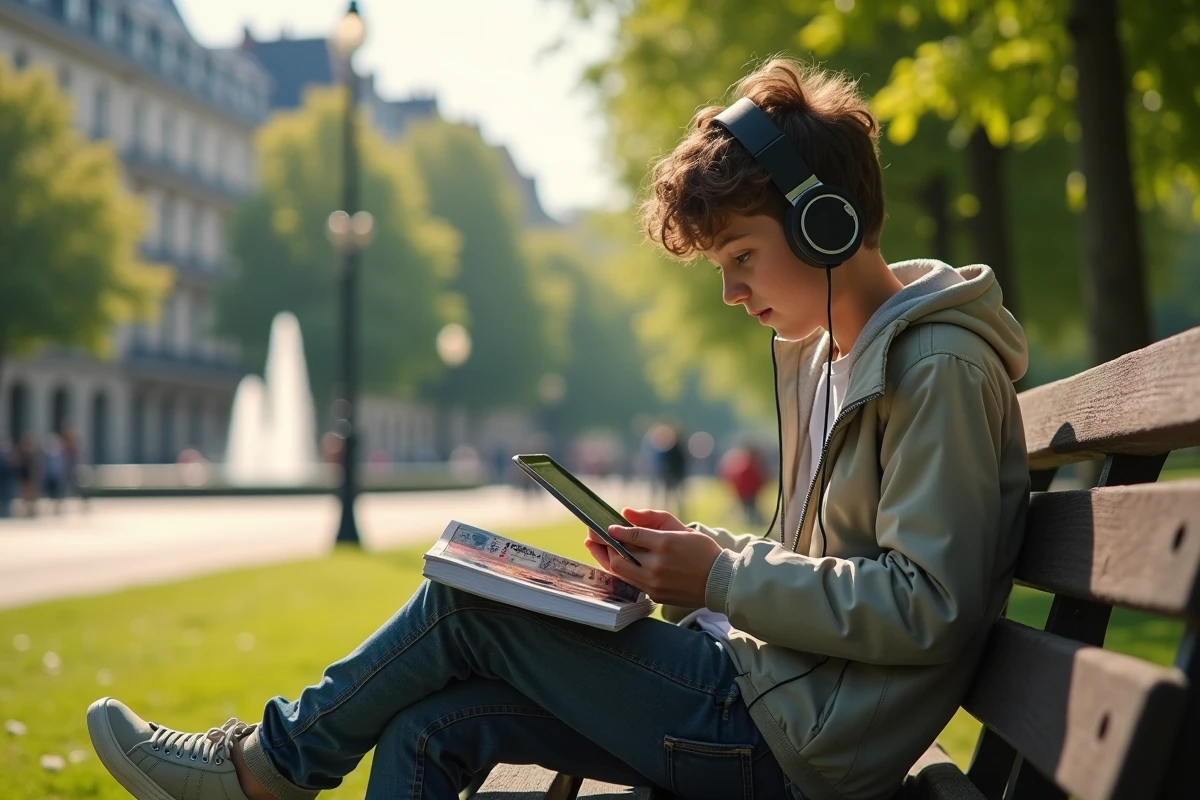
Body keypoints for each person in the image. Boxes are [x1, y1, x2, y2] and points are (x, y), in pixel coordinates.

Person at [86, 58, 1030, 800]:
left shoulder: (933, 365)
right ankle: (272, 766)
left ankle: (267, 769)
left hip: (797, 747)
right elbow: (836, 567)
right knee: (431, 728)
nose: (734, 290)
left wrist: (726, 577)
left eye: (741, 255)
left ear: (828, 225)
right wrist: (699, 559)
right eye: (721, 267)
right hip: (775, 699)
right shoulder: (836, 354)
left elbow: (924, 602)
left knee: (468, 600)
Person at [718, 444, 768, 526]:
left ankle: (755, 522)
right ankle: (753, 522)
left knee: (751, 509)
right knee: (749, 509)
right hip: (746, 493)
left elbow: (760, 480)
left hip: (750, 493)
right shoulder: (746, 467)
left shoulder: (753, 467)